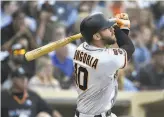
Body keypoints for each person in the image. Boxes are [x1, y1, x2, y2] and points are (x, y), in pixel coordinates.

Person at [73, 12, 135, 117]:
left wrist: (118, 28)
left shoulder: (80, 49)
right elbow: (128, 47)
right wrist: (120, 28)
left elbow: (116, 48)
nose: (111, 29)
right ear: (96, 36)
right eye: (107, 28)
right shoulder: (104, 59)